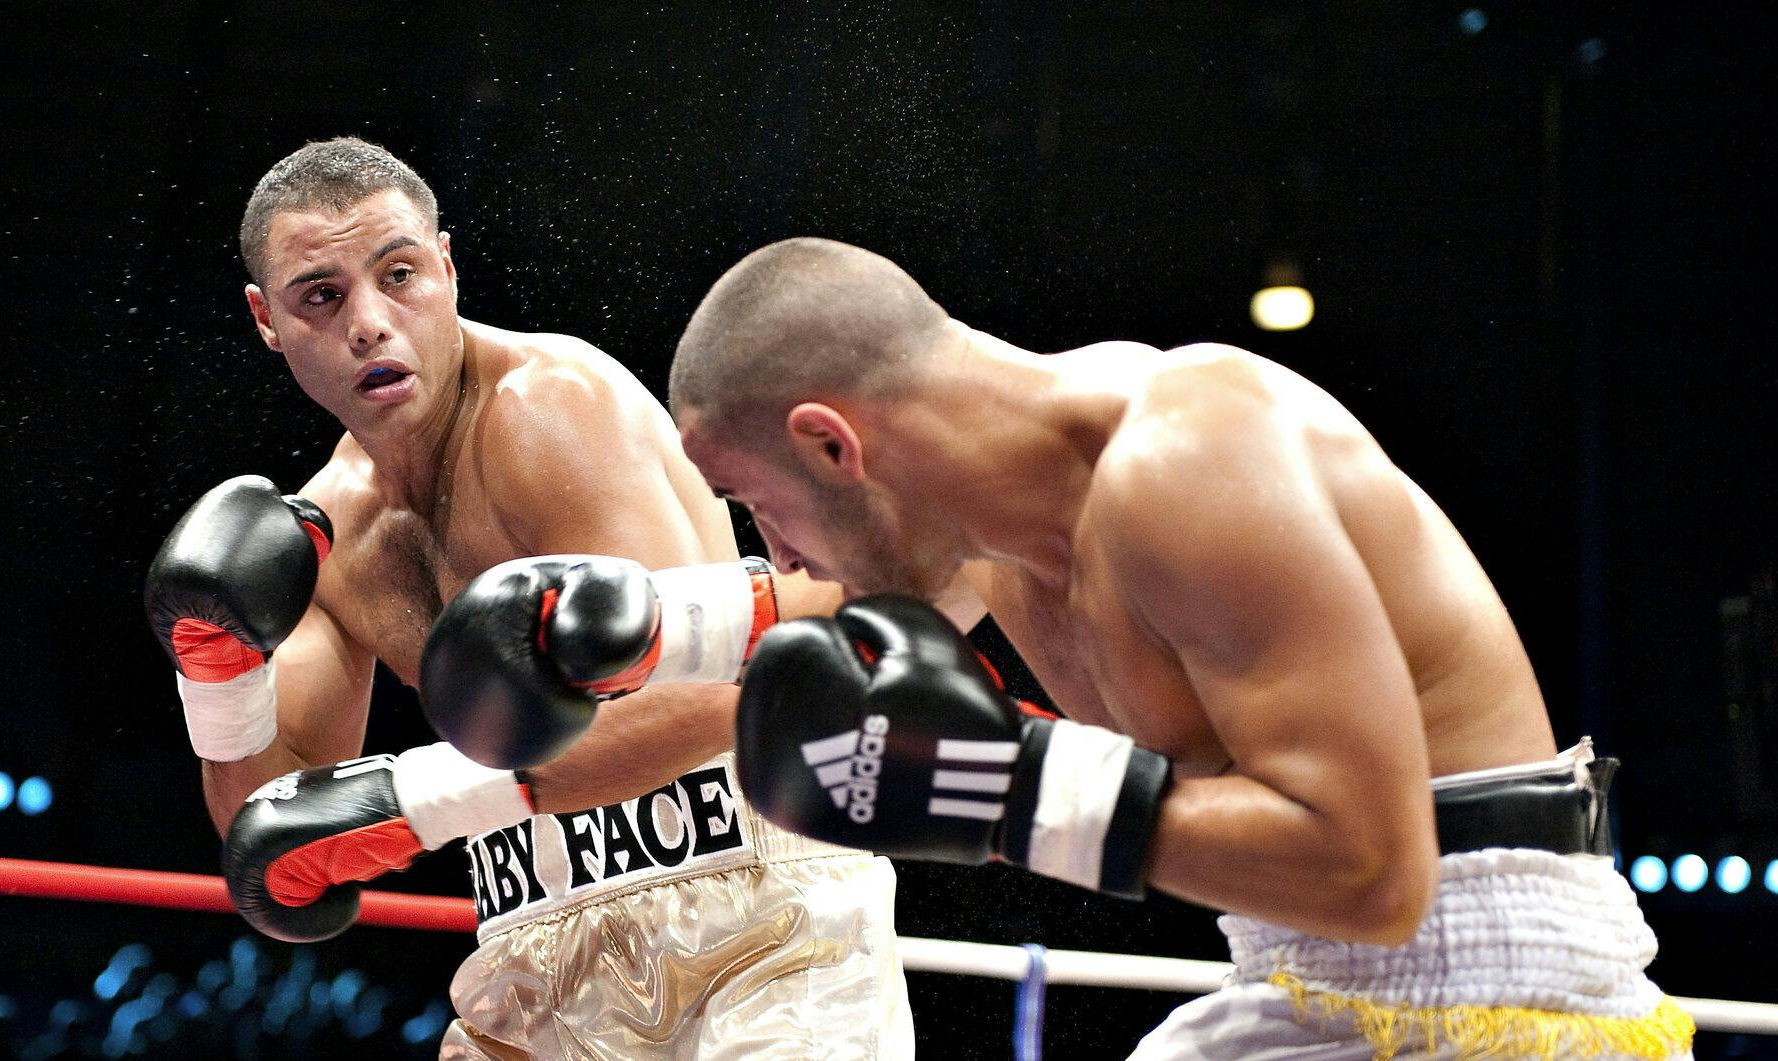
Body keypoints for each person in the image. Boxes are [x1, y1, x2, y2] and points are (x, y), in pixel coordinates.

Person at [652, 236, 1693, 1060]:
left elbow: (1375, 875)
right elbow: (809, 630)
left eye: (756, 503)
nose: (776, 549)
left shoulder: (1184, 464)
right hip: (1300, 977)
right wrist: (632, 629)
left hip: (1497, 989)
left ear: (832, 443)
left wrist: (1004, 788)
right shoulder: (991, 533)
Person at [142, 144, 917, 1059]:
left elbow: (710, 692)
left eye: (400, 275)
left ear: (447, 267)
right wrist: (220, 679)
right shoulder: (326, 539)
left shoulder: (552, 409)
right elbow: (276, 851)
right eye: (322, 296)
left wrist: (422, 799)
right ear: (266, 320)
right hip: (531, 950)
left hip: (757, 921)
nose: (370, 324)